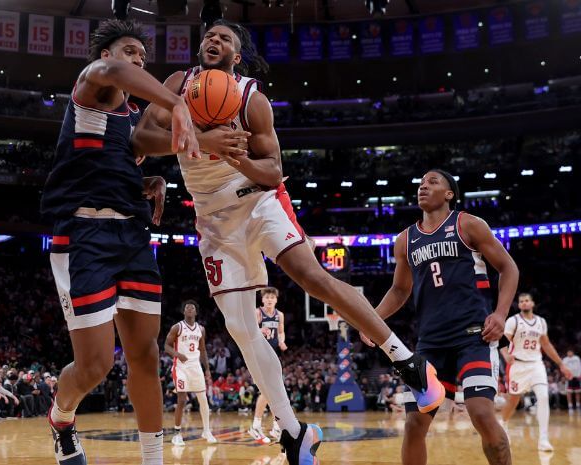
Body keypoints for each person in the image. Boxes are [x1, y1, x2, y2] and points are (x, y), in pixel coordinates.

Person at [132, 19, 444, 465]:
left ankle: (405, 359)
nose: (214, 40)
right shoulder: (177, 85)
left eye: (225, 39)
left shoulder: (251, 100)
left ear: (237, 57)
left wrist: (233, 155)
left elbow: (274, 171)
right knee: (241, 328)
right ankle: (295, 433)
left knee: (310, 275)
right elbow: (141, 139)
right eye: (209, 36)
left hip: (258, 200)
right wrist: (202, 140)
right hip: (213, 220)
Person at [39, 18, 198, 465]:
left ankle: (153, 460)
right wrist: (176, 102)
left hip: (131, 234)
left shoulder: (131, 123)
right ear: (106, 54)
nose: (138, 60)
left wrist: (146, 179)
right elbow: (115, 75)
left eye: (142, 56)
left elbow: (118, 157)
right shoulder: (93, 83)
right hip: (84, 234)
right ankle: (61, 417)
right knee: (95, 366)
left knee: (145, 358)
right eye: (131, 52)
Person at [367, 170, 520, 465]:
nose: (424, 186)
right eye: (421, 183)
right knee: (414, 424)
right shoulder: (405, 239)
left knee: (481, 413)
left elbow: (508, 268)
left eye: (433, 182)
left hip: (474, 335)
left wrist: (500, 315)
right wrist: (370, 320)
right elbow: (399, 291)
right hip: (431, 344)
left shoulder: (468, 224)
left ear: (449, 194)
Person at [499, 293, 572, 451]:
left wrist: (561, 365)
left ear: (532, 303)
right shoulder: (513, 321)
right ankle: (503, 423)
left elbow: (546, 345)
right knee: (513, 401)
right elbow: (503, 340)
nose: (524, 303)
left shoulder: (541, 322)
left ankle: (543, 440)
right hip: (517, 365)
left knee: (544, 396)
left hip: (536, 364)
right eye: (521, 301)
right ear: (519, 305)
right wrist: (505, 355)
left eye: (527, 301)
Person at [164, 300, 217, 445]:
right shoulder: (177, 327)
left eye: (192, 307)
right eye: (187, 307)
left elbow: (203, 350)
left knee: (203, 399)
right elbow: (166, 346)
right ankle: (177, 433)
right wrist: (177, 354)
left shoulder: (201, 329)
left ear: (196, 312)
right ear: (183, 311)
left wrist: (207, 369)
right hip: (180, 367)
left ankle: (206, 431)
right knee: (182, 399)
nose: (189, 309)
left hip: (196, 367)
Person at [248, 287, 286, 443]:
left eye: (272, 297)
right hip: (259, 353)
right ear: (262, 300)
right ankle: (257, 426)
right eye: (267, 297)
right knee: (268, 390)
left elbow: (281, 331)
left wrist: (282, 341)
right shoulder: (258, 313)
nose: (269, 299)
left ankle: (275, 426)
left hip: (272, 353)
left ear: (276, 300)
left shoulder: (279, 315)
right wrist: (259, 330)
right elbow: (249, 331)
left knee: (274, 390)